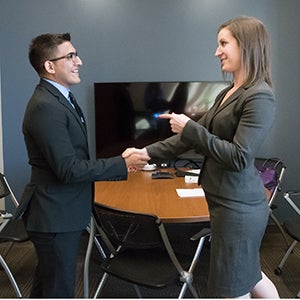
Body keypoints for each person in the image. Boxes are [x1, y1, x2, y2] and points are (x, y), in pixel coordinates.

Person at [123, 16, 279, 298]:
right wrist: (145, 153)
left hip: (240, 209)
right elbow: (187, 138)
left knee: (231, 288)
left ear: (246, 46)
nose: (216, 52)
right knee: (250, 276)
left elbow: (239, 157)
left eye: (223, 43)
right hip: (226, 205)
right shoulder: (227, 93)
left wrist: (191, 128)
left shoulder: (259, 96)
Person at [15, 33, 149, 298]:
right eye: (70, 56)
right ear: (50, 66)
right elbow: (69, 169)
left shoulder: (60, 98)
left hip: (61, 213)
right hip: (55, 216)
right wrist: (122, 164)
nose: (79, 61)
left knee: (47, 286)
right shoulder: (46, 106)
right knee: (59, 290)